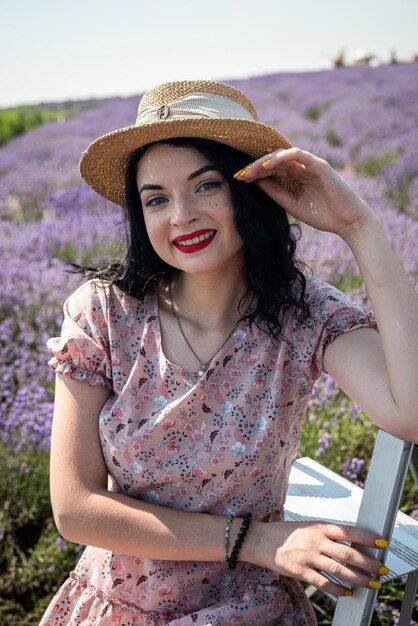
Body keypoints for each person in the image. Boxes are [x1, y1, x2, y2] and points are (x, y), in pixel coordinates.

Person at [39, 80, 418, 626]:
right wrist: (258, 541)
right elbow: (75, 508)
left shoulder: (303, 316)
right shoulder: (105, 313)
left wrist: (359, 228)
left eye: (206, 185)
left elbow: (410, 411)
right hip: (121, 606)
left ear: (250, 190)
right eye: (157, 199)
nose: (181, 216)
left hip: (247, 609)